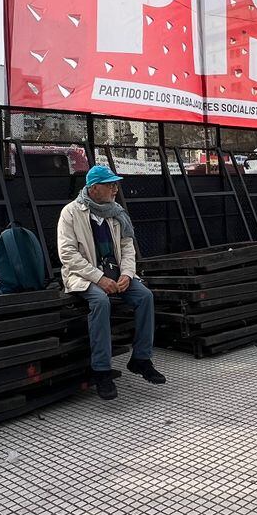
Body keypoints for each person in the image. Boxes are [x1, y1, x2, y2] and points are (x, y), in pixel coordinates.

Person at [57, 165, 163, 400]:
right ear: (94, 188)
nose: (115, 189)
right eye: (110, 184)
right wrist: (99, 278)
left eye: (116, 184)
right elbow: (67, 254)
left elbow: (127, 247)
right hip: (84, 276)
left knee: (145, 296)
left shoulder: (117, 213)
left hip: (115, 274)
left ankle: (141, 359)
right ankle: (101, 370)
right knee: (100, 301)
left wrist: (127, 273)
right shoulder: (71, 213)